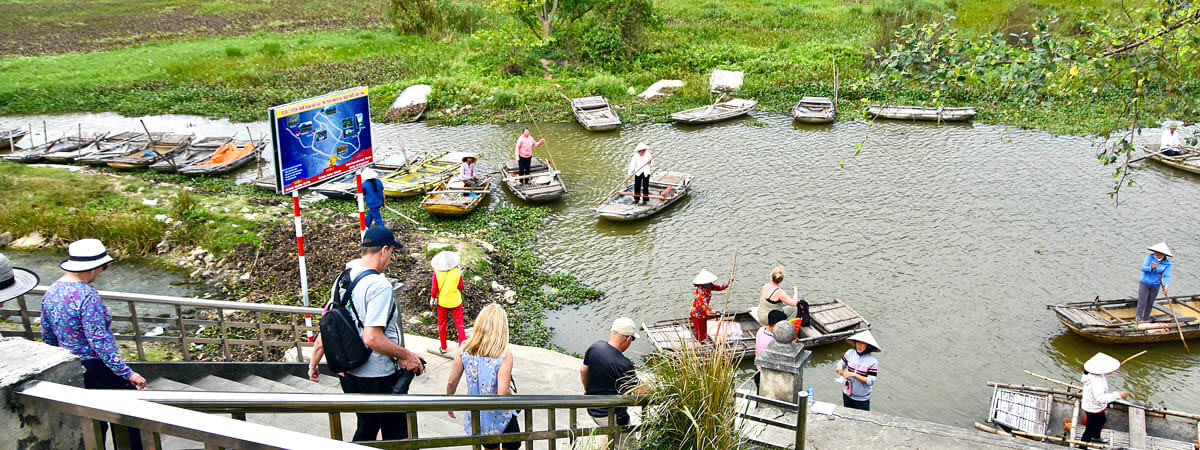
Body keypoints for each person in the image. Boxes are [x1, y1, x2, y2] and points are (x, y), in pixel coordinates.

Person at [40, 239, 147, 450]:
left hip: (70, 367)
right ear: (93, 267)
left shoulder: (51, 292)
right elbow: (98, 341)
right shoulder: (88, 296)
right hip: (97, 367)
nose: (101, 273)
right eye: (102, 267)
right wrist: (127, 373)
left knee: (92, 423)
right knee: (128, 418)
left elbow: (48, 335)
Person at [340, 225, 425, 442]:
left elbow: (332, 322)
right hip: (378, 376)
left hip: (350, 374)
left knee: (367, 427)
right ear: (384, 250)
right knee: (396, 434)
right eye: (391, 252)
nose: (390, 258)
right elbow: (372, 337)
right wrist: (406, 355)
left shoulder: (343, 278)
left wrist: (314, 361)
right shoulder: (380, 285)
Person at [445, 304, 521, 449]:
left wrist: (449, 402)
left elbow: (451, 382)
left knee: (489, 447)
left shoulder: (464, 349)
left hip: (478, 413)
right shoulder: (504, 355)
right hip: (501, 414)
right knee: (512, 445)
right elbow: (503, 392)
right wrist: (516, 401)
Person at [581, 317, 647, 449]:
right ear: (628, 338)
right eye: (632, 339)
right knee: (628, 445)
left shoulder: (595, 347)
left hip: (592, 408)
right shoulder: (623, 364)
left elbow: (583, 370)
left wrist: (587, 389)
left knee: (606, 433)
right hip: (612, 415)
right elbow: (639, 391)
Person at [1080, 352, 1129, 444]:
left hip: (1095, 405)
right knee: (1090, 429)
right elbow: (1100, 398)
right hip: (1092, 408)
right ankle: (1082, 445)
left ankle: (1096, 437)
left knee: (1102, 420)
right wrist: (1118, 394)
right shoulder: (1096, 381)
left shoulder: (1096, 374)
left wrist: (1108, 372)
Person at [430, 250, 467, 354]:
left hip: (442, 303)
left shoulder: (436, 273)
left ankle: (443, 347)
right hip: (456, 302)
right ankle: (462, 348)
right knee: (460, 324)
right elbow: (461, 287)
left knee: (442, 325)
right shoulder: (457, 272)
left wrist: (432, 299)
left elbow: (434, 290)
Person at [835, 330, 879, 411]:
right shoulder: (849, 353)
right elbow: (841, 363)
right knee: (846, 414)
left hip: (862, 399)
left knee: (862, 417)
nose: (859, 345)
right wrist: (839, 367)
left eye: (863, 343)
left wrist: (854, 375)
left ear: (868, 346)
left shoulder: (873, 361)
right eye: (858, 342)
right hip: (847, 393)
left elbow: (871, 381)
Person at [1135, 242, 1172, 323]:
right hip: (1145, 283)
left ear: (1163, 254)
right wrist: (1150, 268)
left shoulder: (1167, 264)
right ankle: (1137, 320)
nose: (1156, 254)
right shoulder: (1150, 257)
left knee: (1150, 303)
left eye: (1159, 253)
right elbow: (1143, 268)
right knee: (1142, 302)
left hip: (1156, 285)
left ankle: (1145, 319)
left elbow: (1167, 276)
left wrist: (1166, 286)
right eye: (1156, 252)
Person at [690, 269, 730, 342]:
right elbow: (705, 307)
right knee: (700, 332)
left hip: (703, 313)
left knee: (704, 329)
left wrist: (728, 283)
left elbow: (720, 287)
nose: (710, 284)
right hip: (697, 314)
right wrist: (715, 311)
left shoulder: (709, 286)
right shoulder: (700, 294)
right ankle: (701, 343)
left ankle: (704, 339)